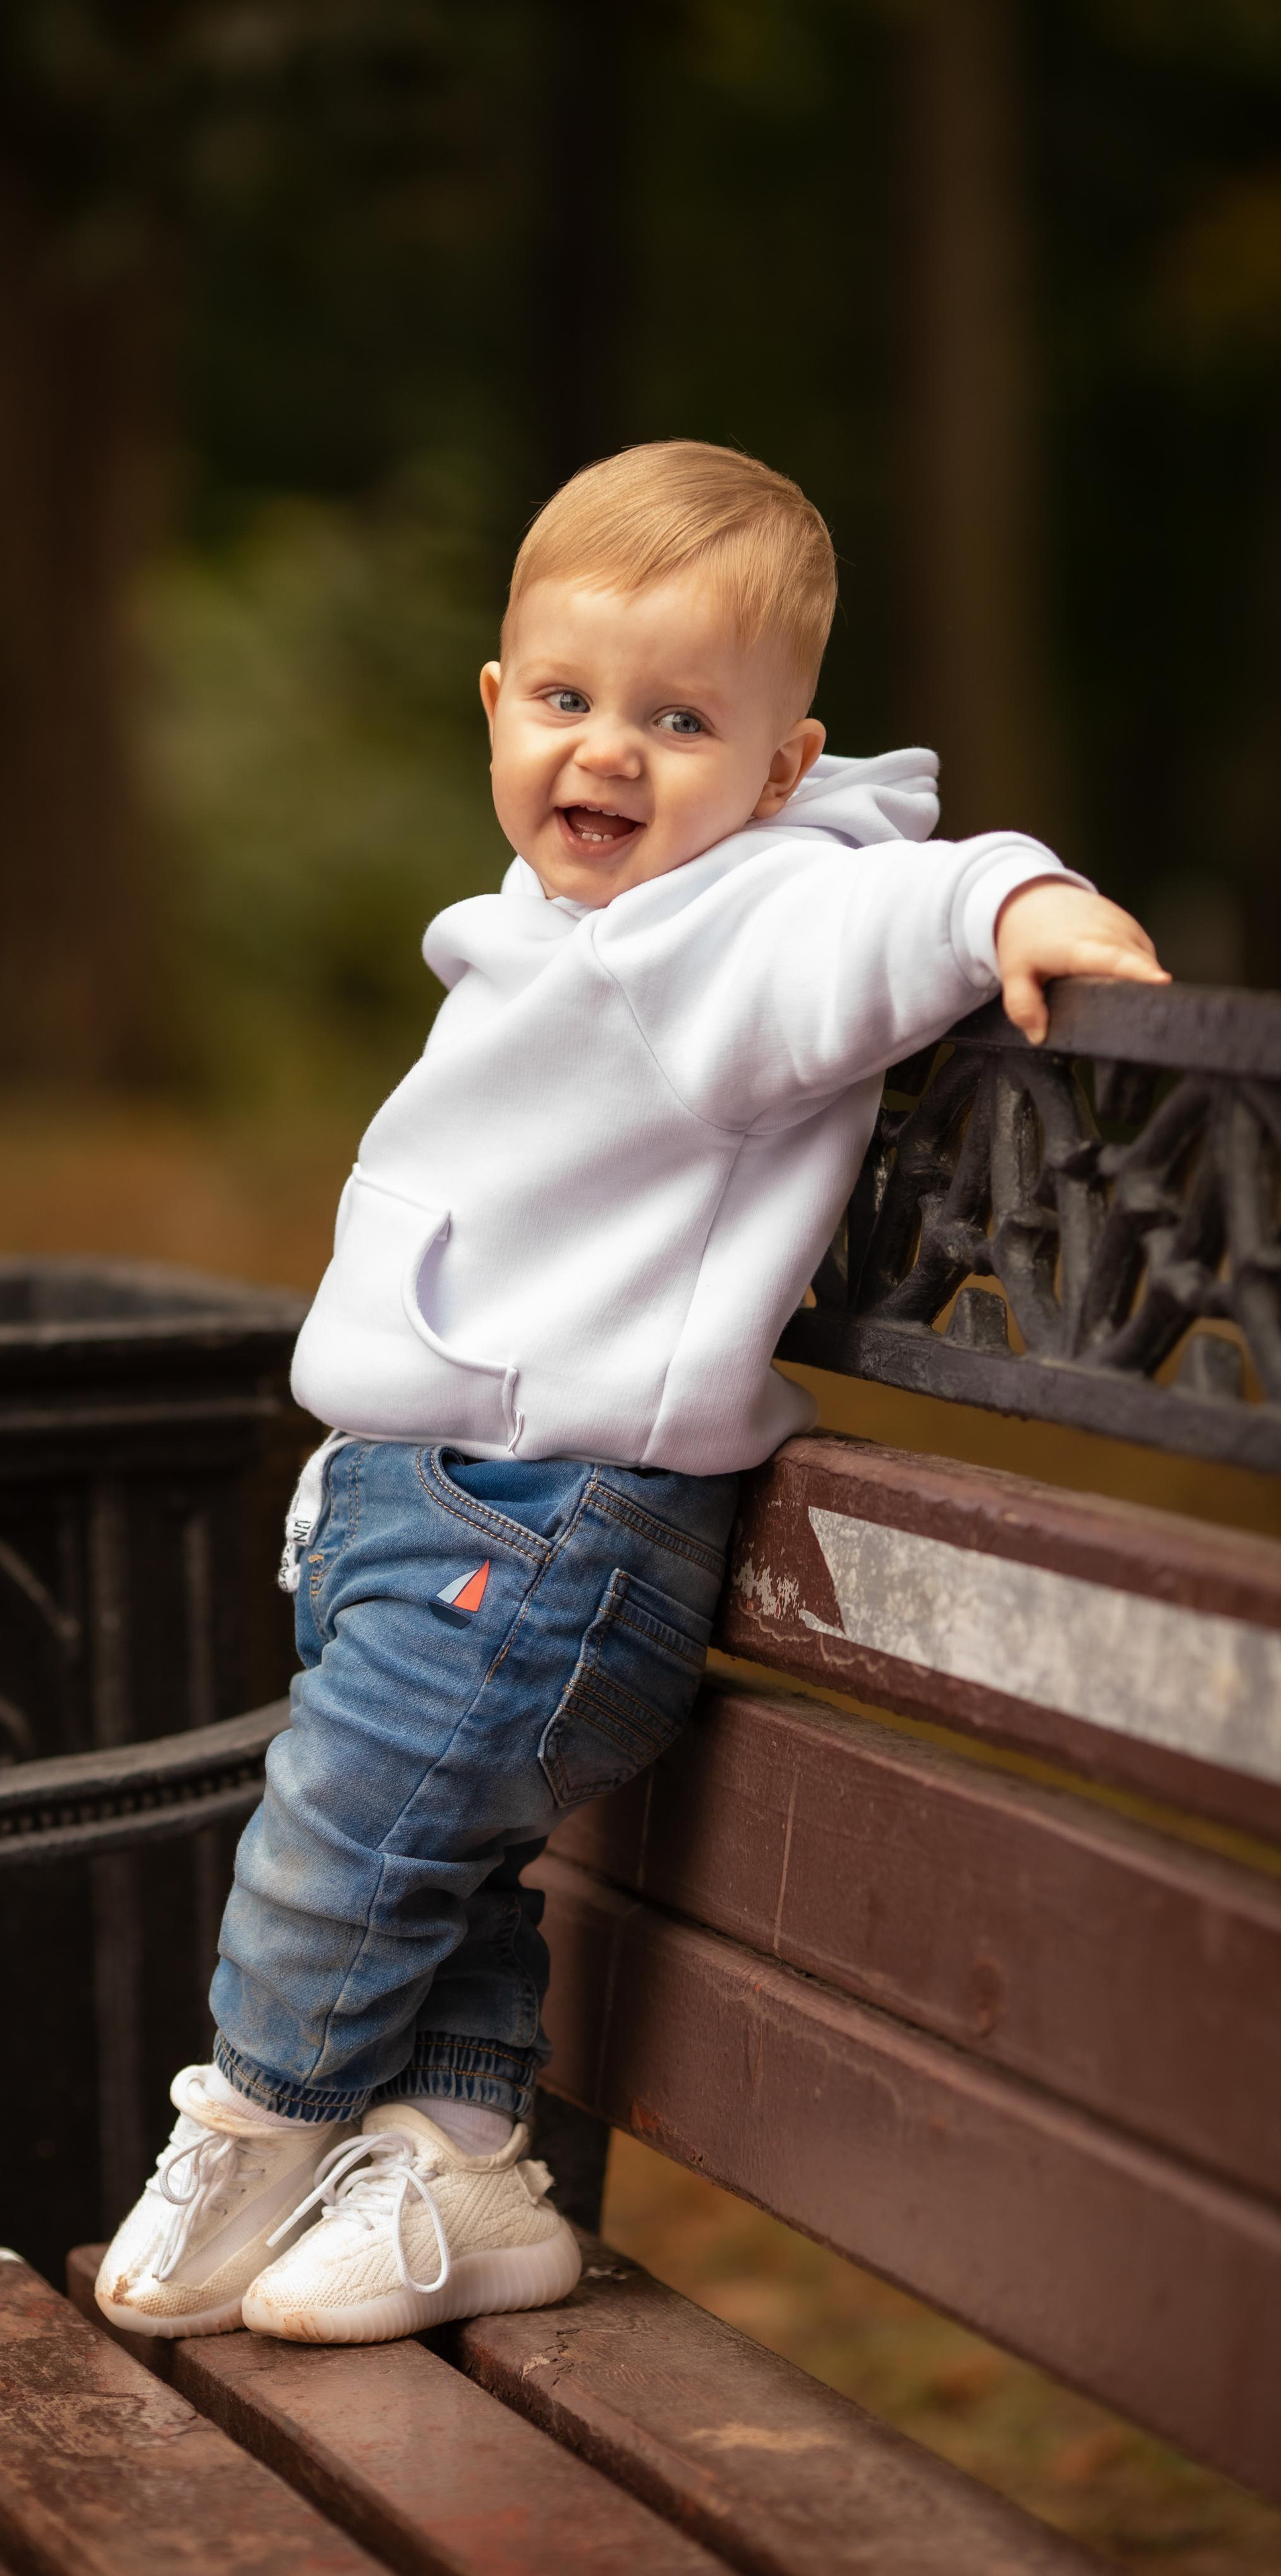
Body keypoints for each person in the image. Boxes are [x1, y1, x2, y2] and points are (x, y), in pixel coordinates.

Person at [95, 440, 1166, 2347]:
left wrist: (1015, 905)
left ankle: (253, 2123)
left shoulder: (734, 923)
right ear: (498, 710)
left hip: (550, 1515)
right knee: (448, 1862)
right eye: (572, 701)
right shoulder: (556, 926)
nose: (608, 751)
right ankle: (463, 2176)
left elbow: (882, 910)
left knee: (341, 1838)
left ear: (774, 771)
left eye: (679, 722)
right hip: (444, 1497)